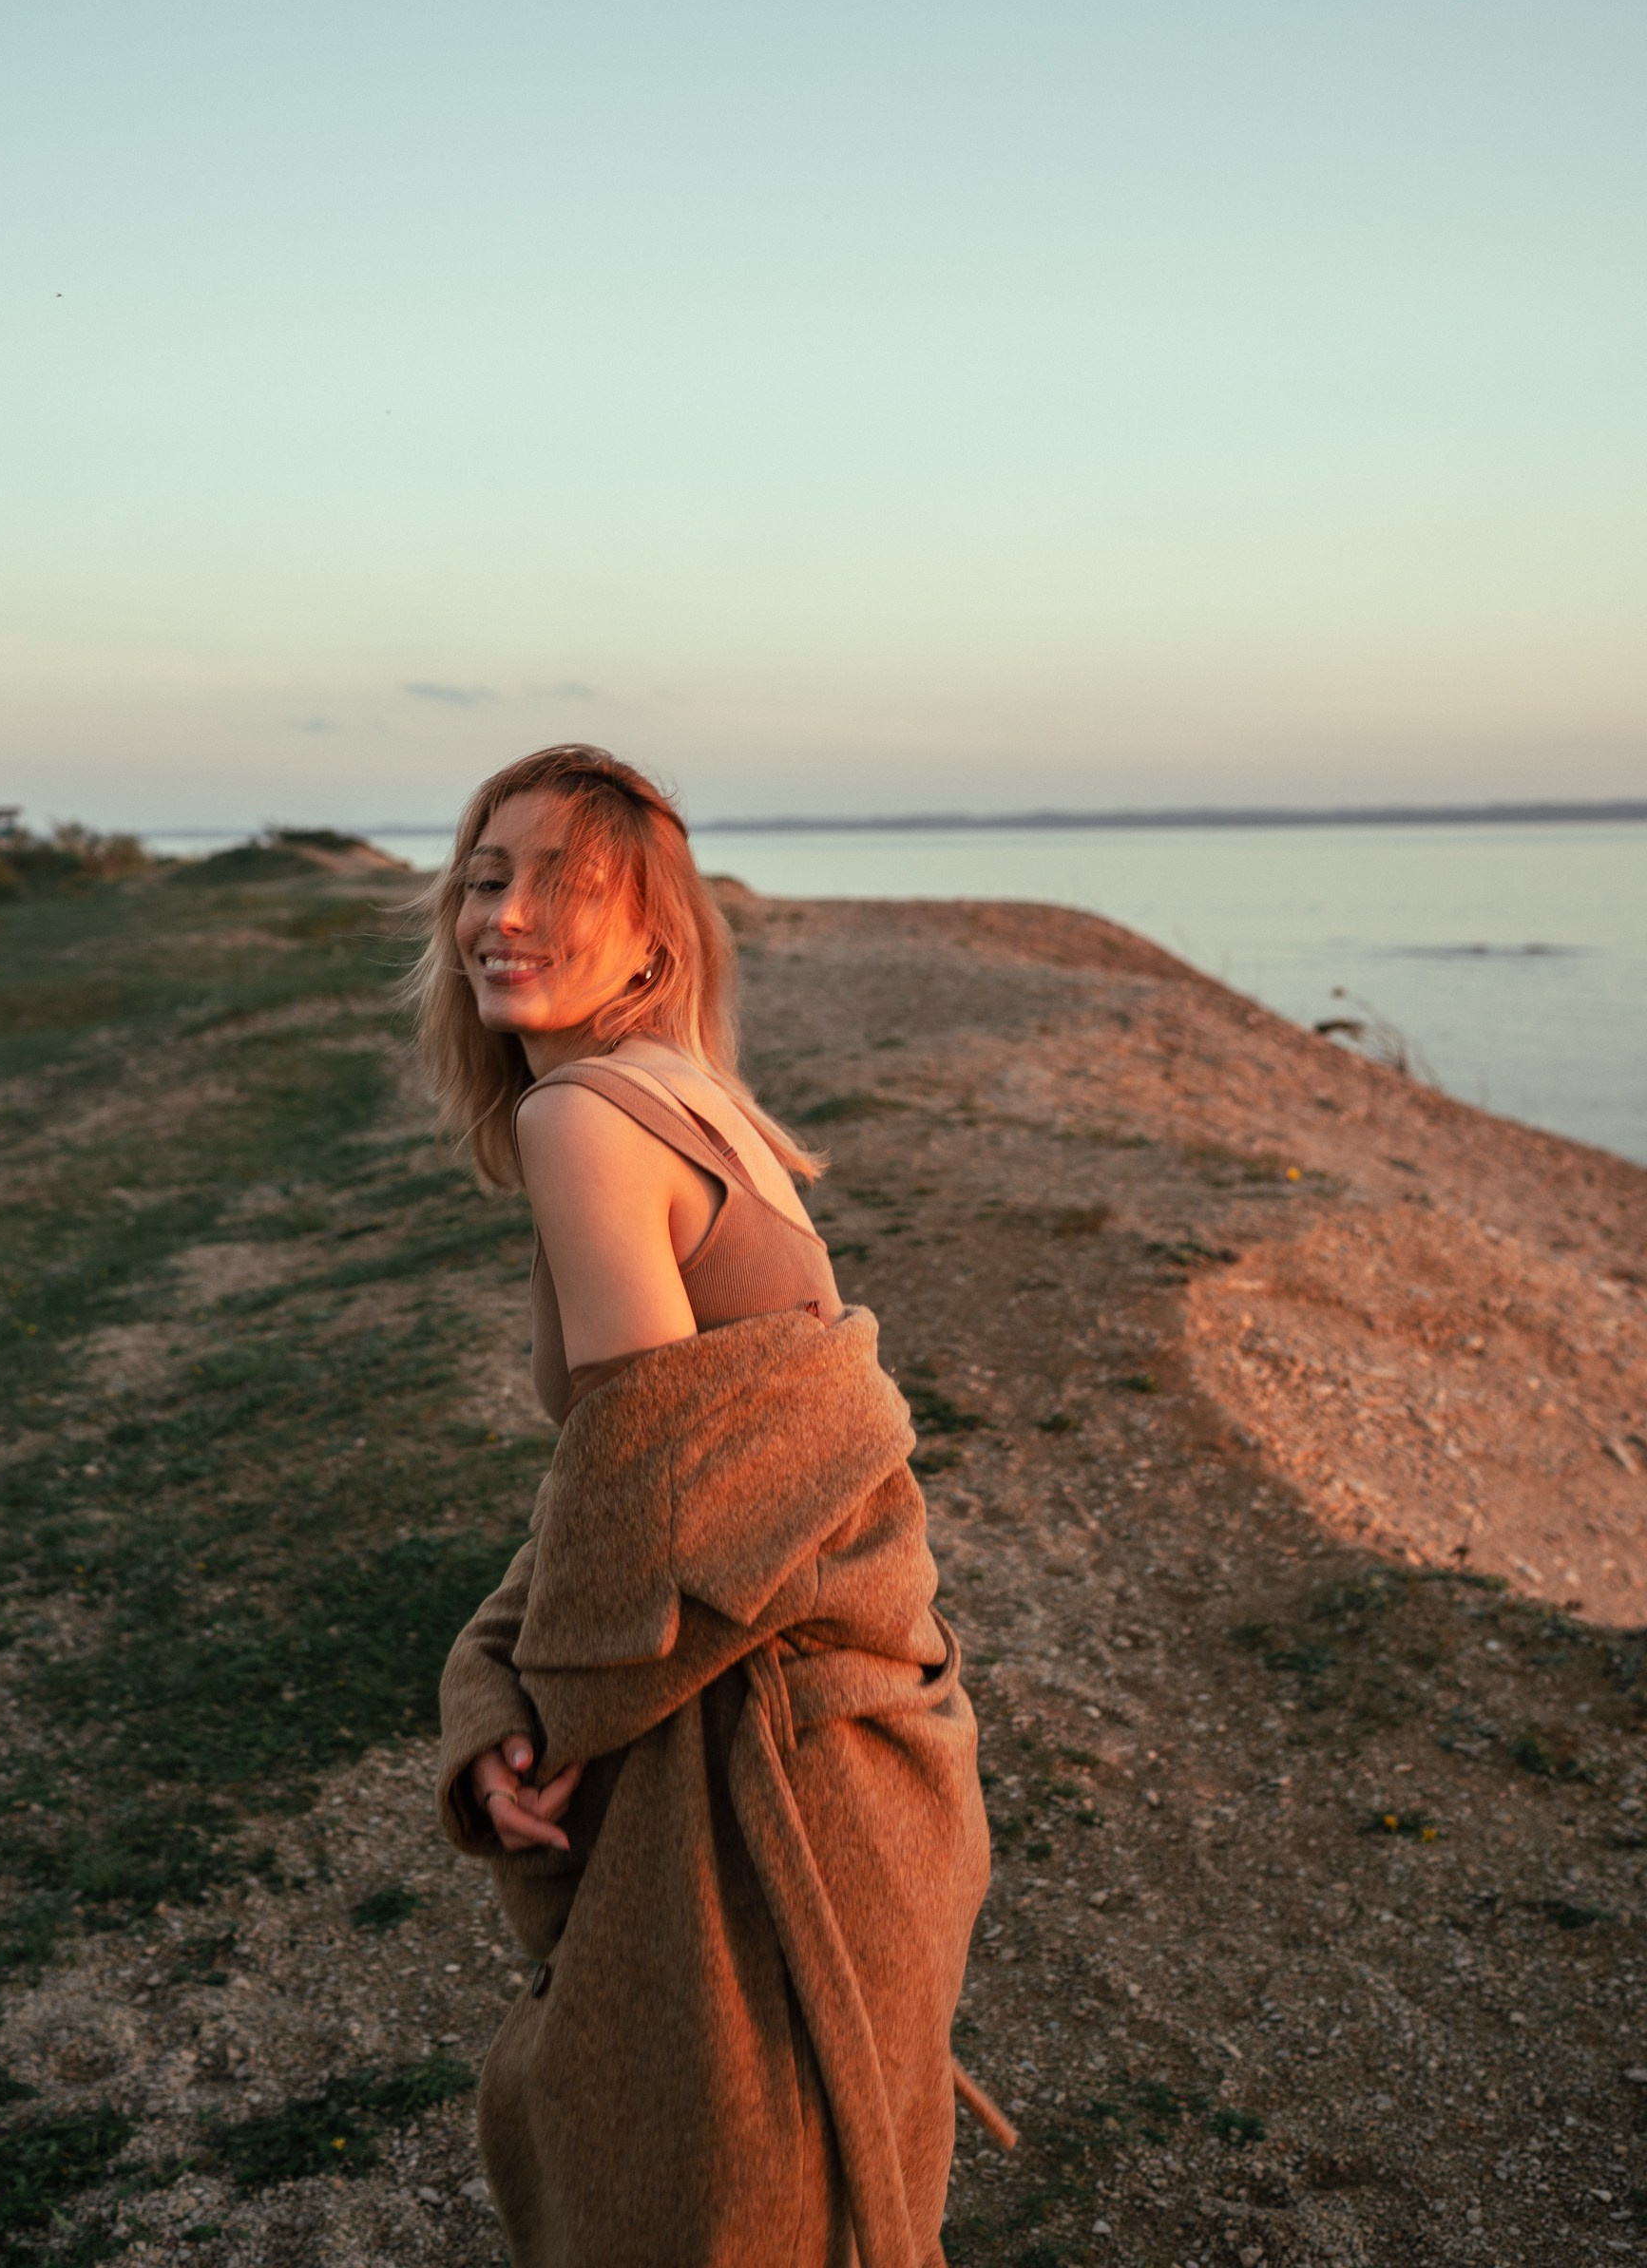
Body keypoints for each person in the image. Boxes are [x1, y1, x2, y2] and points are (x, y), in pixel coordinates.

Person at [418, 747, 991, 2267]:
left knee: (709, 2205)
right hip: (863, 1753)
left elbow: (655, 1512)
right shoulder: (685, 1098)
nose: (507, 915)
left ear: (656, 940)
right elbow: (634, 1486)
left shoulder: (585, 1121)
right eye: (487, 877)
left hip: (775, 1785)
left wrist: (539, 1723)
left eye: (564, 884)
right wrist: (499, 1688)